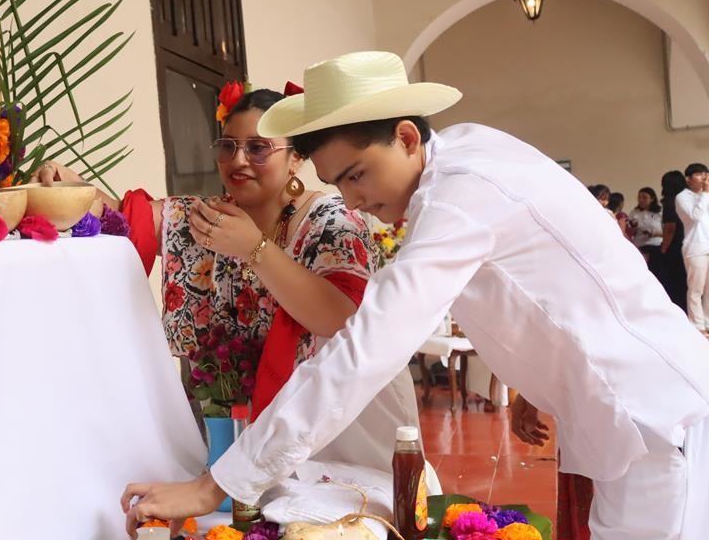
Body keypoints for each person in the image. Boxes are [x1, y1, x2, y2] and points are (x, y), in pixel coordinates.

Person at [119, 52, 709, 540]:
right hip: (644, 414)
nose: (351, 200)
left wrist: (215, 485)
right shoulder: (466, 157)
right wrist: (536, 381)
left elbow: (363, 350)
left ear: (405, 137)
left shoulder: (458, 196)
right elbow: (547, 281)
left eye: (356, 176)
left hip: (658, 418)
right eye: (338, 183)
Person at [36, 86, 435, 481]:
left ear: (295, 158)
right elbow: (125, 218)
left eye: (258, 148)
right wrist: (73, 185)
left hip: (320, 433)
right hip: (223, 433)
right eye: (228, 146)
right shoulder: (206, 218)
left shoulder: (330, 220)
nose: (238, 160)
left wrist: (256, 249)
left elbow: (341, 317)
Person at [676, 163, 709, 335]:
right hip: (695, 247)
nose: (704, 177)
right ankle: (697, 326)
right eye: (699, 174)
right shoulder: (683, 197)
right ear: (688, 179)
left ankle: (707, 322)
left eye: (705, 173)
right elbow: (694, 216)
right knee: (696, 289)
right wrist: (705, 193)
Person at [660, 170, 689, 312]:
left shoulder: (670, 201)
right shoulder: (686, 199)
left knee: (673, 279)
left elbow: (670, 227)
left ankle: (676, 309)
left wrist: (664, 248)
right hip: (688, 242)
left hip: (675, 245)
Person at [629, 187, 663, 270]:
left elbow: (667, 230)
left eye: (644, 197)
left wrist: (655, 234)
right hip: (640, 245)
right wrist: (633, 226)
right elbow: (630, 231)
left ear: (652, 199)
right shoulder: (635, 212)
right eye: (639, 197)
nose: (641, 200)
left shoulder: (660, 211)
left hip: (656, 245)